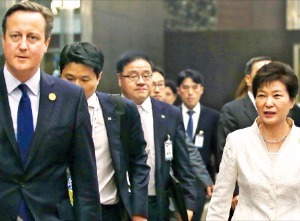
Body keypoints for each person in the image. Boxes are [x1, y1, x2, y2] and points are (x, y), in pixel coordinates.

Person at [0, 2, 101, 220]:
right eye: (15, 36)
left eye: (33, 37)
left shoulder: (71, 97)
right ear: (3, 40)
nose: (23, 45)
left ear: (46, 43)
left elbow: (84, 178)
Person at [60, 42, 150, 221]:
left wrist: (139, 211)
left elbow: (138, 161)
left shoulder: (121, 109)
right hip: (65, 212)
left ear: (99, 77)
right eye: (69, 78)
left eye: (85, 80)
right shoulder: (48, 110)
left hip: (110, 211)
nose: (76, 86)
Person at [207, 61, 300, 220]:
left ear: (291, 101)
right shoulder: (237, 141)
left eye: (277, 95)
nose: (268, 103)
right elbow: (220, 202)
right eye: (262, 95)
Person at [116, 50, 197, 221]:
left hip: (156, 202)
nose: (141, 82)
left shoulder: (169, 113)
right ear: (119, 79)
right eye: (132, 76)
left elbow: (183, 164)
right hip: (118, 203)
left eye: (146, 75)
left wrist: (188, 205)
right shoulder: (109, 110)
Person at [149, 66, 214, 221]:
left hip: (167, 192)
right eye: (153, 84)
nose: (158, 90)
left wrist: (204, 180)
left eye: (161, 85)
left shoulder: (170, 115)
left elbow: (189, 152)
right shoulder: (129, 112)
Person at [177, 69, 219, 221]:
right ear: (178, 90)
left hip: (201, 183)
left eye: (194, 87)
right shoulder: (171, 114)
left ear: (201, 89)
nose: (190, 92)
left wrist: (213, 181)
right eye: (186, 87)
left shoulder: (213, 116)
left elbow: (217, 151)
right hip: (176, 180)